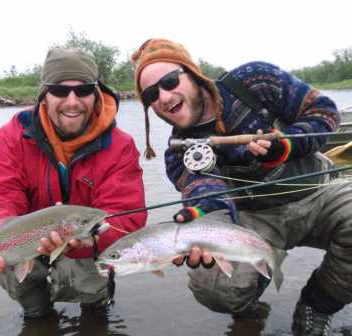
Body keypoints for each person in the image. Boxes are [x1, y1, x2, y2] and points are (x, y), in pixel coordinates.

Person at [131, 38, 351, 336]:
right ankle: (249, 300)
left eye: (170, 81)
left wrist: (285, 146)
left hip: (318, 193)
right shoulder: (178, 153)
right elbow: (205, 192)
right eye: (150, 94)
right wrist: (202, 214)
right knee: (213, 287)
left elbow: (324, 113)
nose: (164, 96)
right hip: (253, 222)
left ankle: (317, 306)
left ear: (193, 73)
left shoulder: (255, 79)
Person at [0, 47, 147, 318]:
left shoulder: (120, 145)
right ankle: (37, 316)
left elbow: (126, 217)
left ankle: (96, 313)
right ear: (44, 95)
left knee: (91, 292)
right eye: (59, 90)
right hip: (25, 241)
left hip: (84, 244)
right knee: (13, 270)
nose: (72, 101)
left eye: (83, 90)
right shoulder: (15, 133)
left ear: (95, 93)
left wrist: (89, 241)